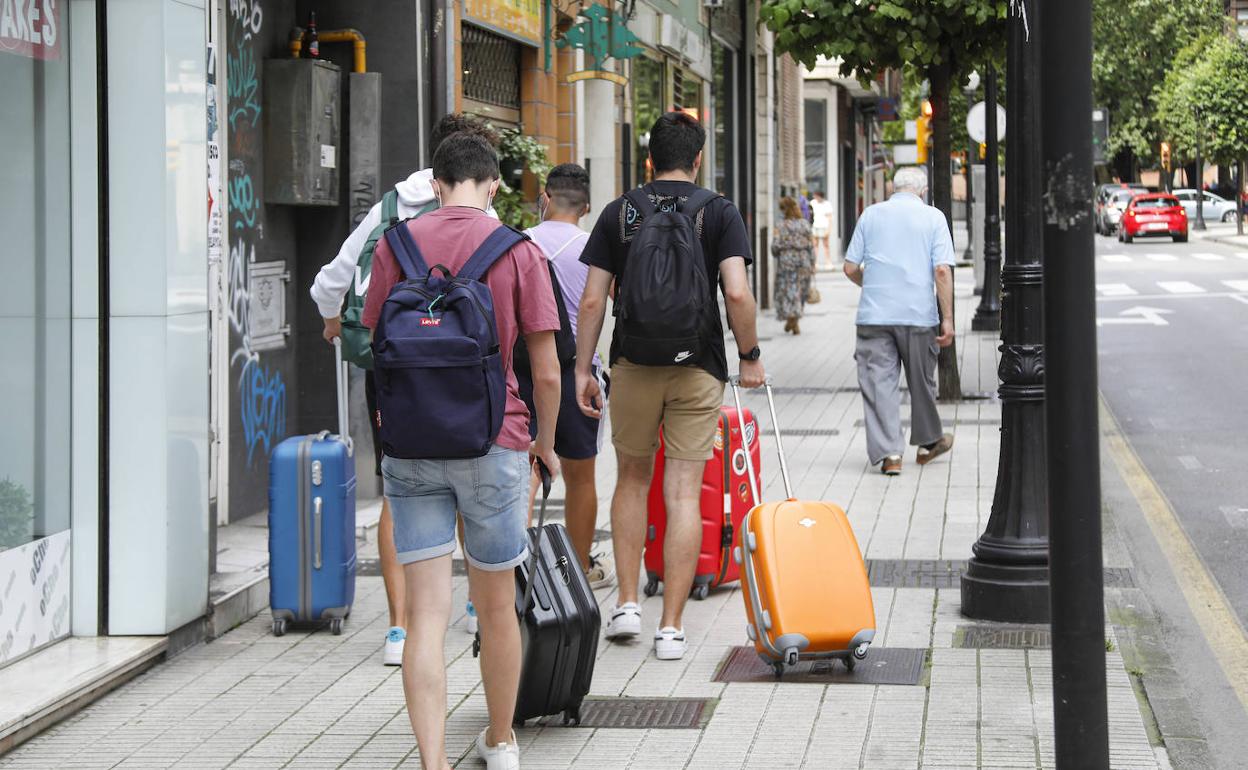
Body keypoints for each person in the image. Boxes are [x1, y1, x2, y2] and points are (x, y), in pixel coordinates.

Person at [363, 131, 562, 770]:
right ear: (495, 185)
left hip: (411, 443)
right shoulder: (517, 251)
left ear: (435, 182)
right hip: (495, 440)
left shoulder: (397, 244)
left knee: (425, 614)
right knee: (496, 604)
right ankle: (501, 742)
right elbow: (547, 369)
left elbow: (375, 339)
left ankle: (431, 761)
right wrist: (546, 444)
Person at [575, 111, 766, 661]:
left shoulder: (619, 213)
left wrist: (583, 369)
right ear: (698, 158)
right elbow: (736, 294)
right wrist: (749, 356)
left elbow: (592, 300)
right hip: (698, 365)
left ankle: (629, 604)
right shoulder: (719, 212)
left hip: (633, 362)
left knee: (632, 480)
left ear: (649, 159)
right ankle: (673, 628)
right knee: (683, 492)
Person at [310, 114, 498, 664]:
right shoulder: (485, 216)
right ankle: (472, 607)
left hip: (396, 373)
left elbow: (332, 280)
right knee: (468, 475)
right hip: (466, 373)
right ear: (478, 169)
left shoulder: (390, 209)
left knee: (399, 487)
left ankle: (399, 629)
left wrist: (330, 323)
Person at [516, 163, 615, 588]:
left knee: (523, 473)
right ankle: (577, 573)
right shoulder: (596, 248)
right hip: (578, 375)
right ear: (587, 206)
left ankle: (511, 570)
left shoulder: (518, 243)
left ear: (545, 199)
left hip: (522, 377)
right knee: (581, 476)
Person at [843, 166, 955, 476]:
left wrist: (876, 285)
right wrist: (947, 318)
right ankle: (928, 442)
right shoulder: (934, 218)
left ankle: (890, 454)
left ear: (894, 188)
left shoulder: (870, 215)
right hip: (918, 315)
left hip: (874, 316)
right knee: (921, 381)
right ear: (923, 191)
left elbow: (850, 268)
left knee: (879, 383)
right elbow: (942, 271)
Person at [773, 196, 816, 335]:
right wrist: (813, 263)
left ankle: (791, 318)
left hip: (786, 262)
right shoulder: (805, 224)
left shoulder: (780, 225)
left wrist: (781, 249)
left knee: (788, 291)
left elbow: (774, 246)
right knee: (801, 290)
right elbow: (811, 245)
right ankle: (795, 319)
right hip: (803, 261)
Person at [810, 190, 835, 266]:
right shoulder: (812, 203)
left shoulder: (827, 204)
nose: (815, 197)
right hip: (815, 226)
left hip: (824, 226)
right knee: (815, 245)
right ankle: (815, 262)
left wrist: (829, 229)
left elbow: (830, 217)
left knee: (826, 245)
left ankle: (828, 262)